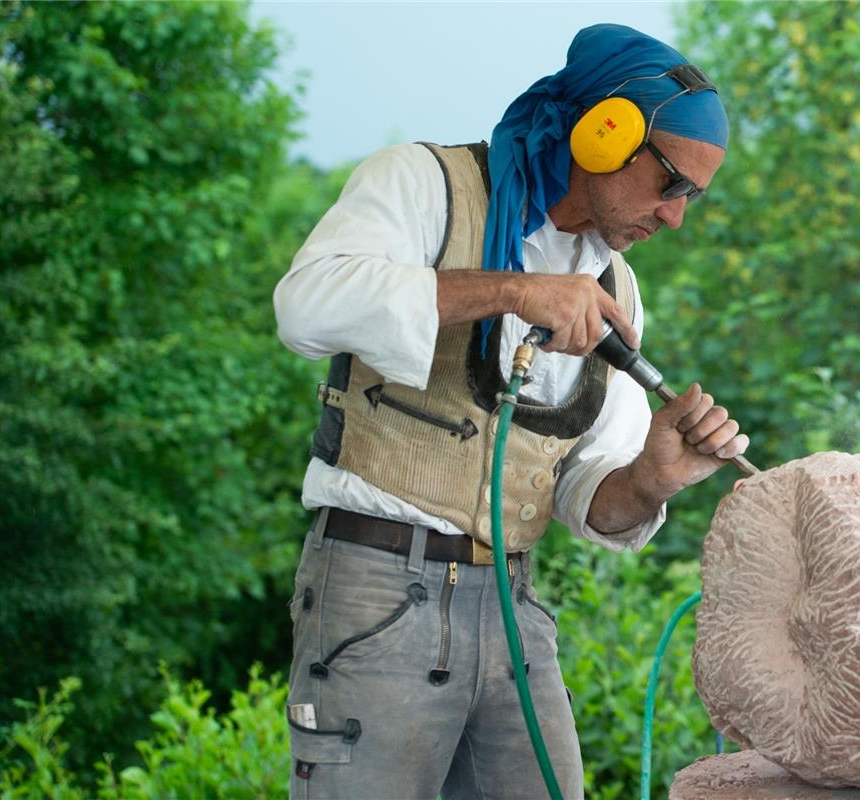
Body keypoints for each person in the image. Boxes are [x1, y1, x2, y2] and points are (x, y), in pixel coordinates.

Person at [271, 24, 746, 800]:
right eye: (672, 184)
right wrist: (512, 291)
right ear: (604, 132)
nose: (675, 216)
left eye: (692, 196)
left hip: (513, 607)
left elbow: (583, 495)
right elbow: (306, 306)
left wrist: (652, 478)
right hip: (376, 592)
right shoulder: (424, 183)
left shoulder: (616, 292)